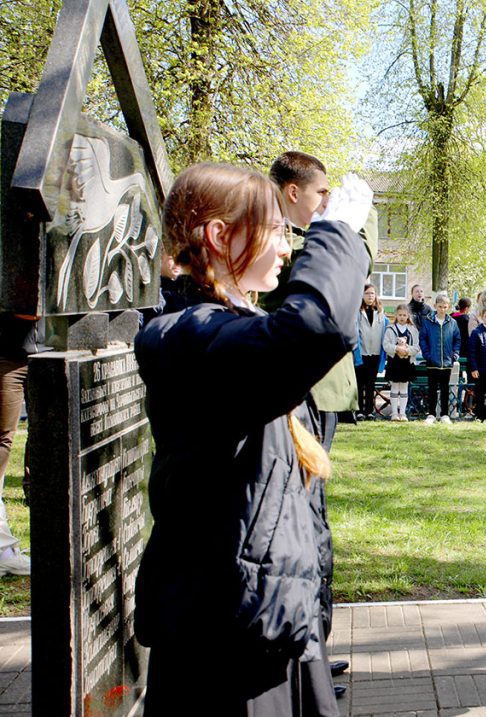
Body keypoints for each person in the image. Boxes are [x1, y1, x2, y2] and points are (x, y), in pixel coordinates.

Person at [134, 163, 370, 715]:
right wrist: (333, 234)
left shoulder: (226, 326)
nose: (287, 249)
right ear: (220, 236)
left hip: (269, 619)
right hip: (225, 641)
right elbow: (313, 328)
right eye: (276, 231)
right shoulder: (187, 336)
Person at [265, 150, 378, 443]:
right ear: (293, 192)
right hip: (300, 388)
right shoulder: (277, 242)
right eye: (321, 192)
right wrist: (362, 216)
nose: (327, 200)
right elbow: (356, 262)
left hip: (319, 388)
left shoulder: (305, 239)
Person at [0, 315, 46, 577]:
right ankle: (3, 551)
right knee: (3, 441)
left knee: (45, 438)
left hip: (49, 353)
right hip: (8, 355)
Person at [418, 292, 460, 424]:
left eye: (445, 307)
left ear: (448, 307)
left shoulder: (452, 322)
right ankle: (431, 414)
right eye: (440, 306)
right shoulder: (428, 322)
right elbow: (423, 339)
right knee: (432, 389)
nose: (442, 309)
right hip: (432, 362)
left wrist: (455, 355)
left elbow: (457, 340)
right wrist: (427, 355)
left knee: (445, 389)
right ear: (435, 306)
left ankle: (444, 415)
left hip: (447, 362)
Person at [355, 283, 388, 420]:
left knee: (370, 384)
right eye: (367, 293)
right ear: (362, 295)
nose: (370, 296)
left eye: (372, 293)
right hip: (361, 353)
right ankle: (359, 411)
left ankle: (369, 411)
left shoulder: (380, 313)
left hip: (375, 354)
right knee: (359, 384)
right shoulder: (357, 312)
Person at [383, 304, 420, 421]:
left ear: (408, 316)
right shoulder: (390, 329)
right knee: (394, 387)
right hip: (394, 362)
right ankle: (394, 413)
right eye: (400, 315)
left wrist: (407, 351)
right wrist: (397, 349)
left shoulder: (413, 330)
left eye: (404, 315)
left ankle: (403, 413)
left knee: (404, 388)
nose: (402, 317)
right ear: (396, 315)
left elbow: (417, 347)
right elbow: (385, 345)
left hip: (407, 363)